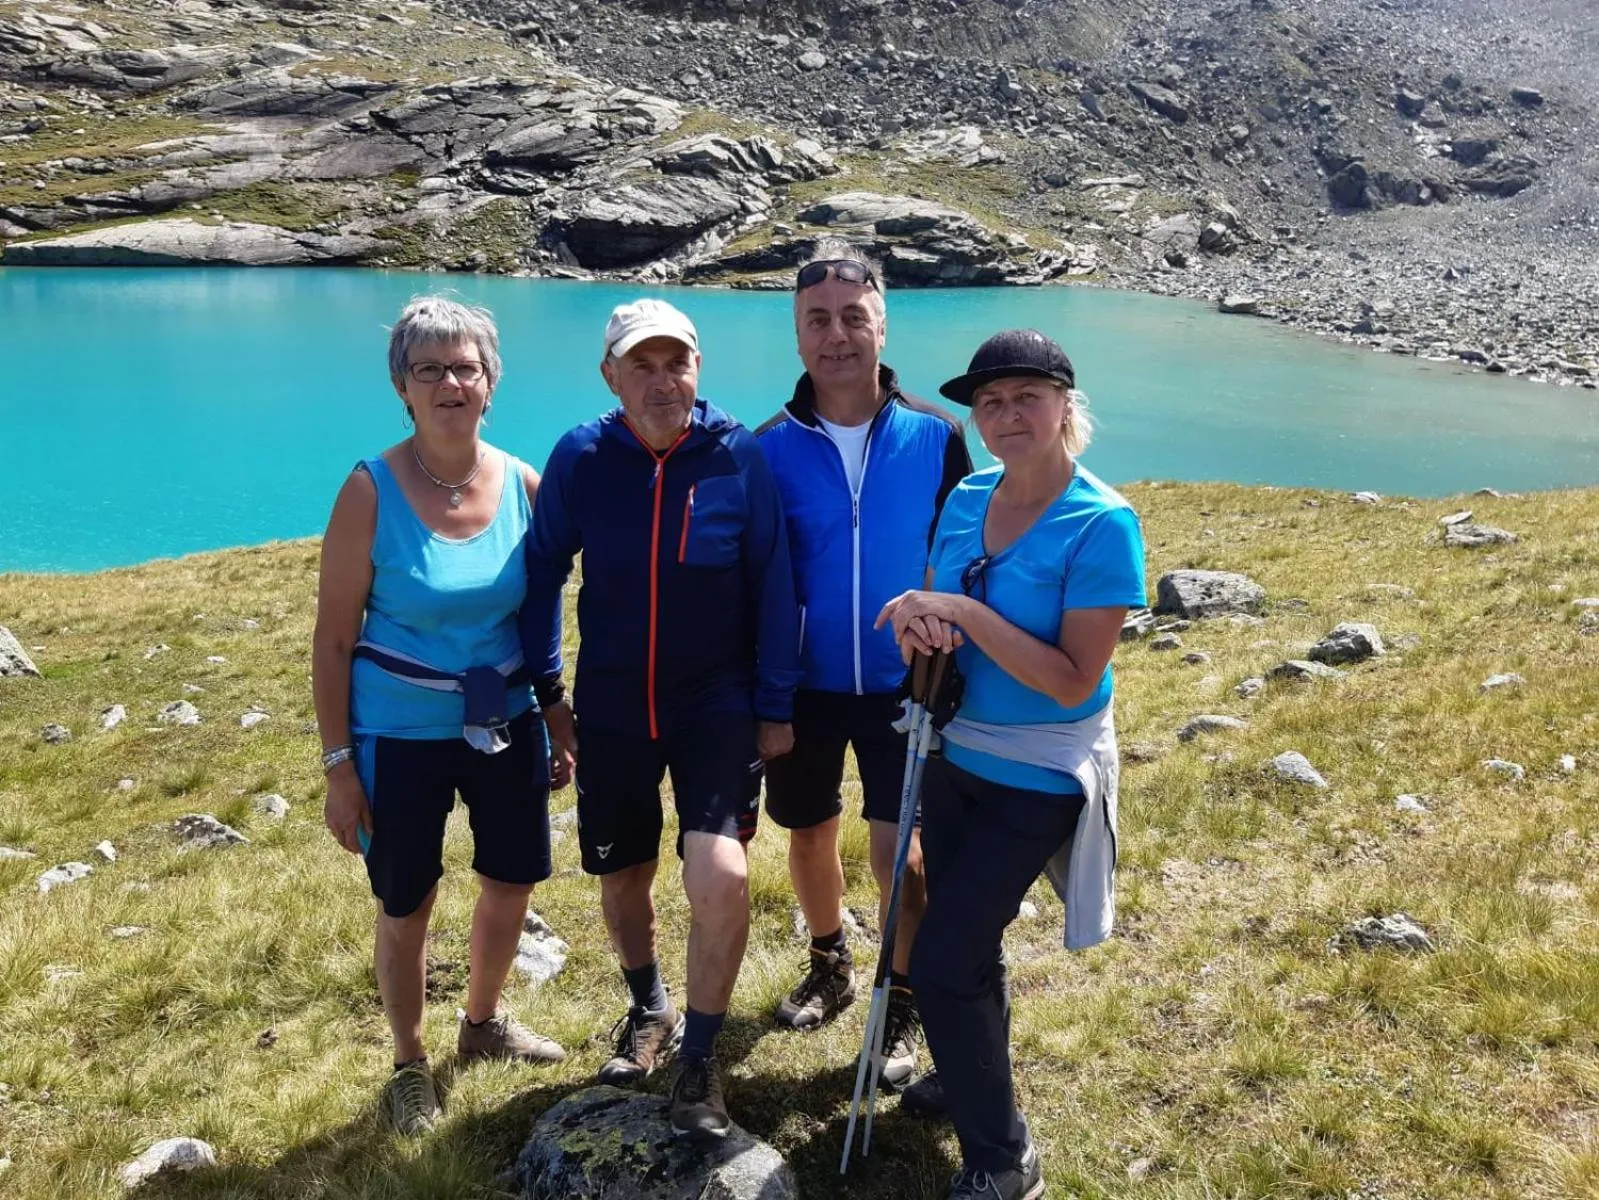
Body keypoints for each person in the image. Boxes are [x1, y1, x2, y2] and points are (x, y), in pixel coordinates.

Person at [876, 329, 1147, 1200]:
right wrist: (926, 624)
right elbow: (947, 616)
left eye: (1025, 396)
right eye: (987, 402)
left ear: (1066, 405)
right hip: (956, 756)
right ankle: (963, 1074)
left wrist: (960, 608)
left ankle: (1002, 1158)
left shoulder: (1102, 523)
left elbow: (1072, 682)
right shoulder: (968, 496)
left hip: (1038, 775)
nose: (1004, 415)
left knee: (948, 956)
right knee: (967, 949)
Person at [521, 297, 800, 1139]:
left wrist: (775, 704)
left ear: (697, 369)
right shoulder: (581, 456)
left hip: (715, 700)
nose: (661, 380)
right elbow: (539, 574)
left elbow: (773, 581)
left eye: (675, 362)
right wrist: (547, 692)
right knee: (622, 878)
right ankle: (651, 1010)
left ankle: (700, 1061)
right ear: (610, 376)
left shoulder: (735, 454)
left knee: (720, 873)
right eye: (640, 365)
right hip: (609, 704)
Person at [312, 295, 567, 1139]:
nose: (451, 382)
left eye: (466, 367)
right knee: (405, 898)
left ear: (490, 383)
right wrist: (339, 766)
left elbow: (551, 611)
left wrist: (560, 721)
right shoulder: (369, 490)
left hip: (505, 722)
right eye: (430, 370)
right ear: (403, 389)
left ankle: (483, 1023)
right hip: (398, 731)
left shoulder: (527, 482)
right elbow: (334, 636)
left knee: (510, 878)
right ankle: (408, 1062)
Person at [756, 242, 970, 1091]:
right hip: (804, 686)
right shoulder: (768, 445)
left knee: (900, 854)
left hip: (902, 682)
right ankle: (830, 959)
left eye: (853, 316)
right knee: (807, 833)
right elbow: (759, 572)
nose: (836, 335)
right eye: (818, 320)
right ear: (798, 335)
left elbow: (956, 554)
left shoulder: (936, 434)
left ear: (882, 324)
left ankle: (899, 994)